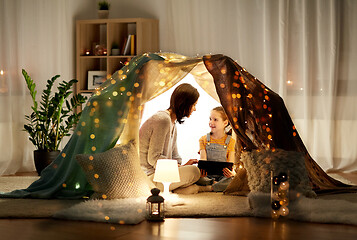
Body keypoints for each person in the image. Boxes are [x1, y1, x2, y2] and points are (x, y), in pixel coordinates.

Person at [139, 83, 202, 194]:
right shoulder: (162, 120)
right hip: (150, 177)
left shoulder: (172, 123)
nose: (195, 109)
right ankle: (198, 188)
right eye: (194, 105)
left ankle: (183, 189)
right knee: (194, 172)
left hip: (162, 173)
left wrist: (183, 165)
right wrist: (180, 167)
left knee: (193, 175)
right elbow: (153, 158)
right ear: (184, 104)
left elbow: (175, 157)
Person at [197, 106, 236, 192]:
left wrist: (231, 173)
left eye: (215, 119)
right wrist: (202, 172)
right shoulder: (203, 139)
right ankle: (215, 185)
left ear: (225, 123)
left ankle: (210, 187)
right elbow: (203, 160)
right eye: (210, 119)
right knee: (195, 177)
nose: (211, 122)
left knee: (233, 180)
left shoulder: (231, 141)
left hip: (223, 176)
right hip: (208, 176)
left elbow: (230, 162)